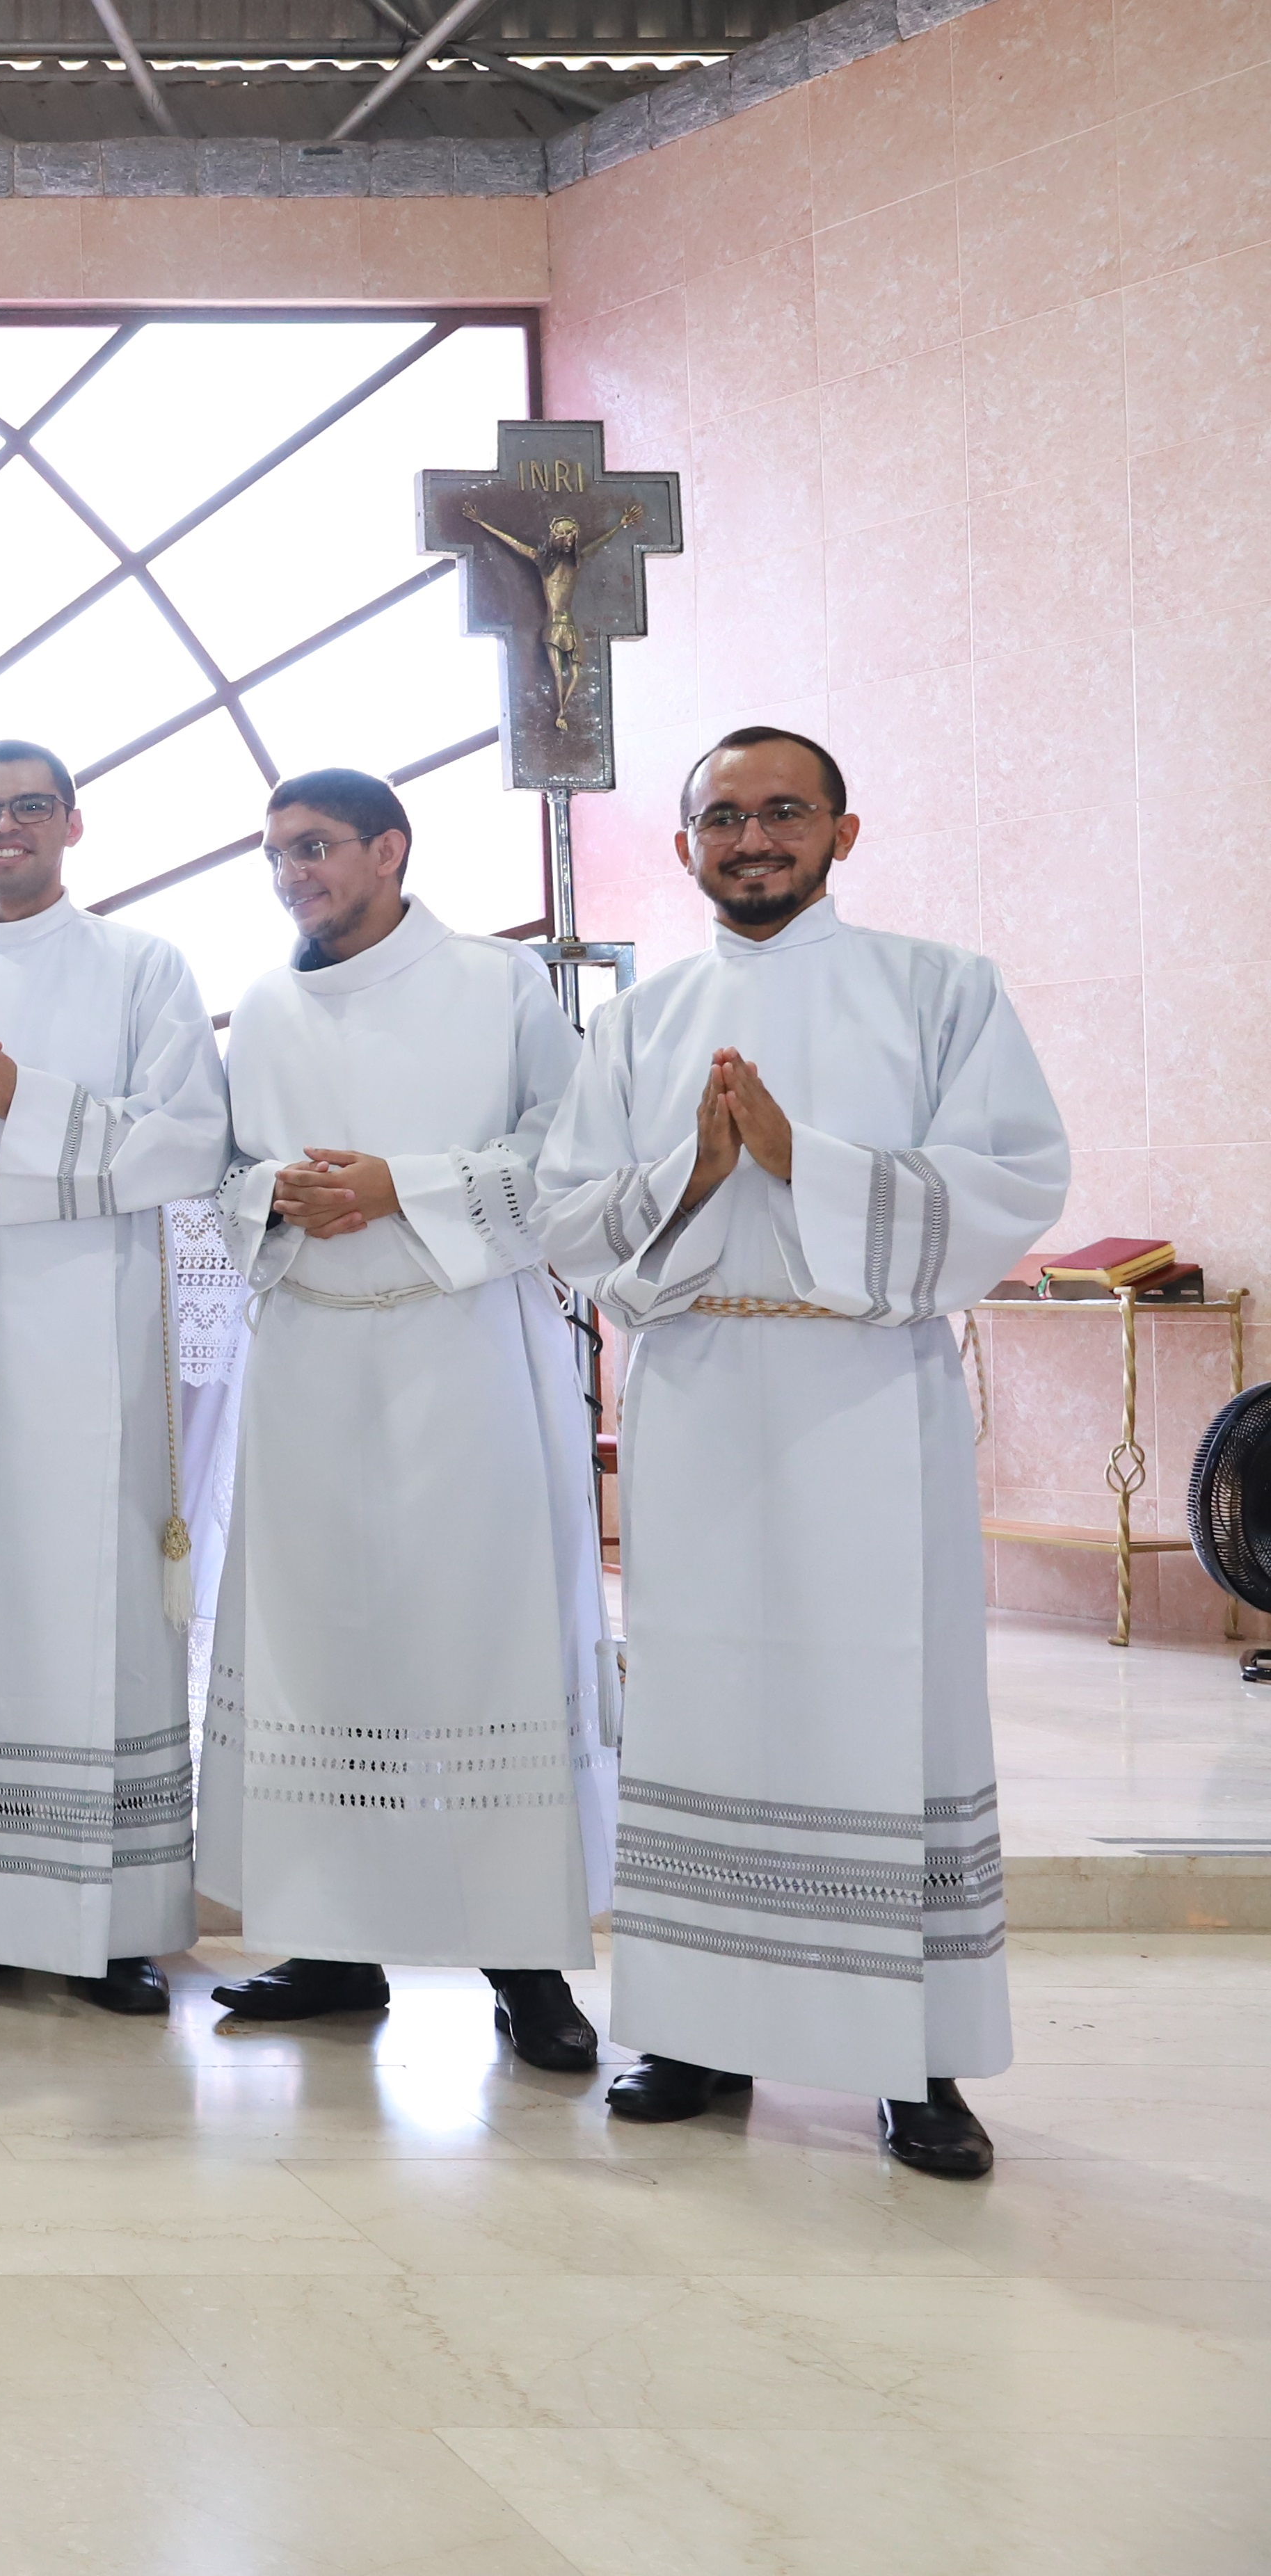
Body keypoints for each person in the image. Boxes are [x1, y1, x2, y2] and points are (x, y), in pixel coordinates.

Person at [538, 728, 1067, 2177]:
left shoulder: (941, 988)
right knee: (705, 1706)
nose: (753, 837)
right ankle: (699, 2030)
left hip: (867, 1398)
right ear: (684, 845)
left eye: (784, 811)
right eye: (723, 817)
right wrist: (697, 1171)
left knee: (887, 1710)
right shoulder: (641, 1023)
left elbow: (1015, 1180)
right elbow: (567, 1216)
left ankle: (915, 2061)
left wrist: (799, 1160)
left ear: (844, 831)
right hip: (701, 1391)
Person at [195, 772, 609, 2069]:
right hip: (310, 1356)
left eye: (315, 848)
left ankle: (526, 1966)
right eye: (277, 855)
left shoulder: (498, 985)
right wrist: (274, 1197)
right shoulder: (265, 1007)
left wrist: (403, 1188)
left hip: (461, 1351)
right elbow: (221, 1174)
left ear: (390, 850)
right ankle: (329, 1944)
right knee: (323, 1647)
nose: (293, 875)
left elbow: (574, 1151)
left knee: (478, 1642)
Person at [0, 739, 232, 2014]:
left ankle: (114, 1926)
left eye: (29, 807)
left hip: (95, 1327)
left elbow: (192, 1143)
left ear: (73, 823)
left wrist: (28, 1099)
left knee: (99, 1600)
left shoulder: (143, 968)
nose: (4, 828)